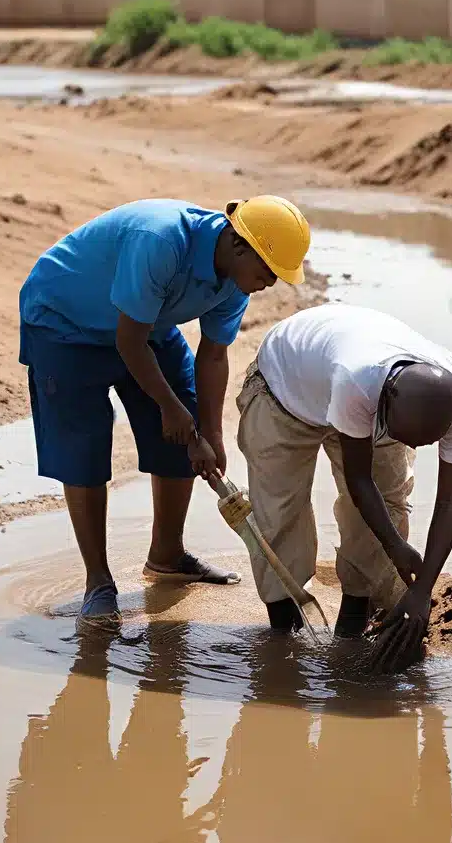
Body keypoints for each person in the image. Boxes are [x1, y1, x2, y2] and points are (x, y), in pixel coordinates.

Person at [18, 195, 311, 630]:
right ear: (237, 243)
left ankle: (167, 557)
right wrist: (174, 412)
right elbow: (128, 343)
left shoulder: (235, 281)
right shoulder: (160, 240)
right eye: (268, 270)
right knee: (85, 452)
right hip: (64, 322)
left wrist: (208, 432)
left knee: (186, 441)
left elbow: (212, 356)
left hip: (143, 325)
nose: (270, 282)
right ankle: (98, 582)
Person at [231, 303, 452, 655]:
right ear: (385, 404)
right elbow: (359, 480)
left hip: (363, 395)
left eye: (424, 443)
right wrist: (396, 547)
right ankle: (284, 631)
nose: (412, 447)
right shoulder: (358, 379)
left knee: (388, 504)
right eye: (404, 436)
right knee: (279, 511)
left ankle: (353, 625)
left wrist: (423, 590)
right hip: (286, 388)